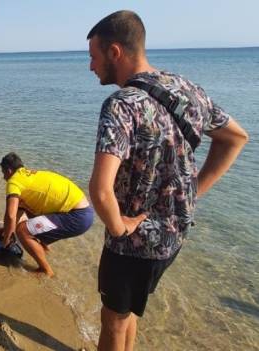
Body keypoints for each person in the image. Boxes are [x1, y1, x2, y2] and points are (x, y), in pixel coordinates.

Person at [86, 11, 249, 351]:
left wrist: (119, 228)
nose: (91, 66)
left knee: (113, 321)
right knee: (127, 310)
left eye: (94, 57)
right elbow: (235, 137)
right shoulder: (187, 89)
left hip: (133, 241)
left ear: (115, 52)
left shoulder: (121, 105)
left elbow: (101, 192)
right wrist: (193, 192)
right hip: (173, 235)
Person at [0, 152, 93, 277]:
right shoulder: (27, 176)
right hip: (83, 211)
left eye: (3, 173)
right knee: (29, 216)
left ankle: (46, 270)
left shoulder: (13, 181)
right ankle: (42, 246)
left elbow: (10, 215)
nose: (3, 177)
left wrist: (6, 241)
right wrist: (6, 232)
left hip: (77, 216)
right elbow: (16, 214)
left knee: (22, 230)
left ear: (9, 171)